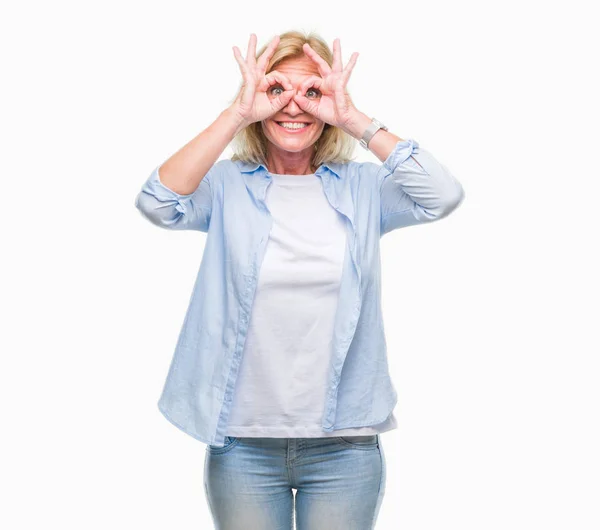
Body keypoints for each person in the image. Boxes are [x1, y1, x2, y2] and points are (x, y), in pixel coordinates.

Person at [135, 30, 465, 530]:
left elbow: (441, 194)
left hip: (345, 448)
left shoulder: (364, 187)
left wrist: (355, 119)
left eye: (312, 92)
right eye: (276, 91)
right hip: (243, 444)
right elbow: (156, 201)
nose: (294, 106)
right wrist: (236, 114)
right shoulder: (226, 185)